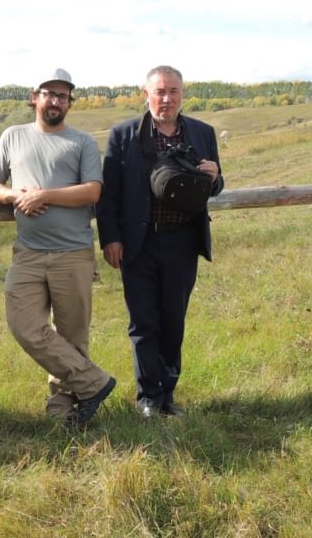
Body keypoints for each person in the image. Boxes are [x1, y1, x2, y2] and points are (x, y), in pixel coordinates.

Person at [0, 68, 117, 427]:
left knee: (72, 336)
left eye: (63, 96)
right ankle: (95, 383)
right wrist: (15, 195)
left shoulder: (82, 142)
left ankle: (63, 412)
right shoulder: (13, 136)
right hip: (27, 252)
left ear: (69, 103)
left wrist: (46, 195)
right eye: (49, 93)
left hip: (72, 253)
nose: (55, 101)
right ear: (34, 97)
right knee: (24, 326)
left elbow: (92, 191)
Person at [96, 65, 224, 419]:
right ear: (146, 94)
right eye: (160, 92)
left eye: (173, 92)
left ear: (183, 94)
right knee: (143, 320)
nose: (166, 99)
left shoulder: (202, 133)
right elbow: (109, 195)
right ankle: (147, 397)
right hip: (139, 242)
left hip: (183, 241)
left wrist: (214, 178)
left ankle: (168, 394)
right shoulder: (124, 135)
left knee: (173, 319)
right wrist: (111, 238)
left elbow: (214, 185)